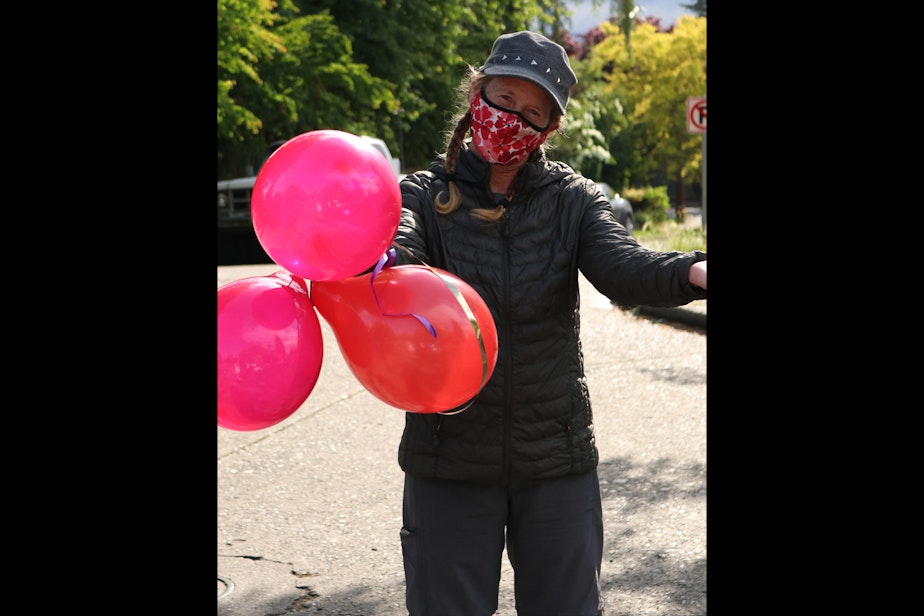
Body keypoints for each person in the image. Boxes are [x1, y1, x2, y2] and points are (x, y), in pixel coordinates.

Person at [387, 30, 707, 616]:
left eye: (533, 113)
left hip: (555, 464)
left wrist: (693, 271)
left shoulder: (573, 200)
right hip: (449, 461)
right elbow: (398, 259)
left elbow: (623, 267)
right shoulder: (421, 195)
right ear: (477, 93)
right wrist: (377, 262)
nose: (512, 120)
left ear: (550, 130)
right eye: (504, 100)